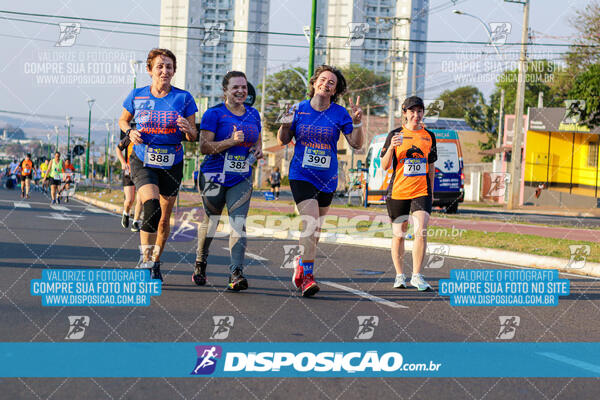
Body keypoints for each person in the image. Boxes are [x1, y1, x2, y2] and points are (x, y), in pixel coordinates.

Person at [277, 65, 364, 297]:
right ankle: (307, 276)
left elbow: (356, 144)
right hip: (301, 174)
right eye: (323, 80)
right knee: (310, 221)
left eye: (331, 83)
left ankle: (300, 262)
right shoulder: (298, 108)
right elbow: (284, 139)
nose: (326, 84)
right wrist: (285, 123)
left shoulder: (340, 113)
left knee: (316, 230)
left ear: (335, 90)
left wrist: (357, 123)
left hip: (327, 178)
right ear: (314, 83)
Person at [118, 48, 198, 281]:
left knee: (163, 218)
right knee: (150, 205)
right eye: (160, 66)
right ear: (150, 70)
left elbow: (194, 135)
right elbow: (123, 119)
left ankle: (156, 261)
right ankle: (145, 258)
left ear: (174, 71)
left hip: (172, 162)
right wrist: (130, 131)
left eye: (169, 67)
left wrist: (187, 129)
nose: (165, 70)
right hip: (143, 159)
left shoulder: (184, 98)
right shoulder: (138, 95)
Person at [194, 70, 262, 291]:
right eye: (235, 87)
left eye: (244, 87)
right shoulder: (213, 114)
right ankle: (201, 262)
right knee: (211, 221)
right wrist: (230, 141)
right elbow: (204, 147)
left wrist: (257, 151)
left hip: (241, 177)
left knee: (238, 223)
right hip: (214, 175)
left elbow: (257, 143)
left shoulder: (253, 115)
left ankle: (236, 272)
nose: (241, 91)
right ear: (225, 90)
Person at [380, 96, 437, 291]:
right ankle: (399, 276)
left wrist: (431, 192)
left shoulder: (429, 136)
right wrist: (392, 147)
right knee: (399, 235)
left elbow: (430, 166)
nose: (416, 115)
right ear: (404, 113)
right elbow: (385, 165)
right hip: (398, 191)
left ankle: (417, 276)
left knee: (421, 230)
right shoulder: (395, 134)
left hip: (421, 192)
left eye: (419, 111)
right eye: (412, 111)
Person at [115, 130, 143, 231]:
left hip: (142, 172)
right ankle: (126, 213)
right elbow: (118, 149)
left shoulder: (150, 136)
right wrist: (123, 162)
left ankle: (135, 222)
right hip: (129, 171)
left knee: (140, 199)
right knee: (130, 200)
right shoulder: (130, 136)